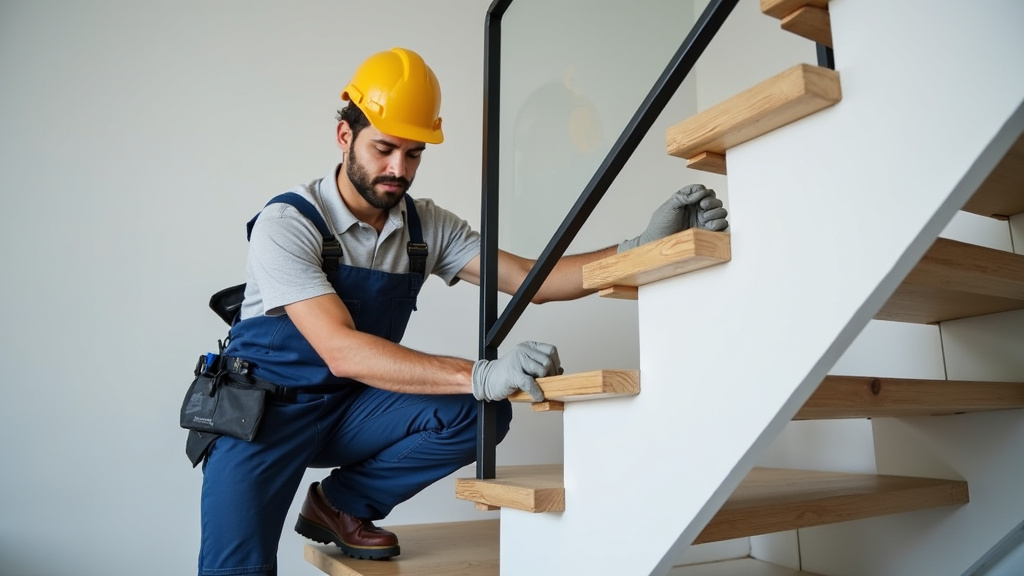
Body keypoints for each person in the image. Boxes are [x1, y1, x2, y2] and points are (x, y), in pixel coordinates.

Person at [194, 46, 728, 575]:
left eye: (414, 153)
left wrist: (641, 247)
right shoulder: (288, 223)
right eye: (383, 149)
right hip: (261, 417)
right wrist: (479, 372)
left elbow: (530, 281)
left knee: (481, 412)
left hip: (346, 411)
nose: (398, 169)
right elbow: (341, 350)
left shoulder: (426, 227)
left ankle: (340, 504)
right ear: (344, 137)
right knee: (235, 571)